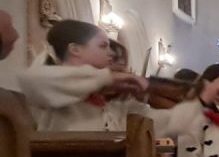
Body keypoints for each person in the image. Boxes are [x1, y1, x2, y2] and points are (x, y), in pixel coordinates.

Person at [17, 19, 200, 134]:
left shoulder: (112, 99)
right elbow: (32, 80)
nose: (111, 53)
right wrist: (110, 79)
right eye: (103, 46)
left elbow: (154, 121)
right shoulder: (51, 82)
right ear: (75, 49)